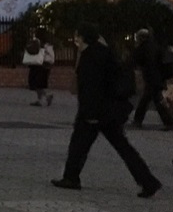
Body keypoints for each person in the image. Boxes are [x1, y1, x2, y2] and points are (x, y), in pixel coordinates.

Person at [52, 23, 161, 198]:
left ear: (83, 37)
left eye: (77, 36)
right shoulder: (105, 52)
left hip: (95, 112)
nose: (75, 40)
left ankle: (71, 178)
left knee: (78, 145)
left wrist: (90, 114)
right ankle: (148, 181)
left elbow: (90, 88)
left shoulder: (90, 56)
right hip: (110, 111)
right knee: (123, 147)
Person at [131, 28, 173, 130]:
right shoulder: (156, 46)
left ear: (141, 38)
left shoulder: (143, 48)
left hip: (151, 77)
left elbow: (135, 60)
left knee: (151, 100)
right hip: (158, 77)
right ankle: (168, 122)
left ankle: (168, 122)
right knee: (151, 100)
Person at [24, 29, 54, 106]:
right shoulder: (47, 45)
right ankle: (42, 98)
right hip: (43, 67)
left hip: (36, 66)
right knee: (39, 84)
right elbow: (51, 58)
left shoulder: (36, 43)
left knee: (35, 84)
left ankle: (45, 96)